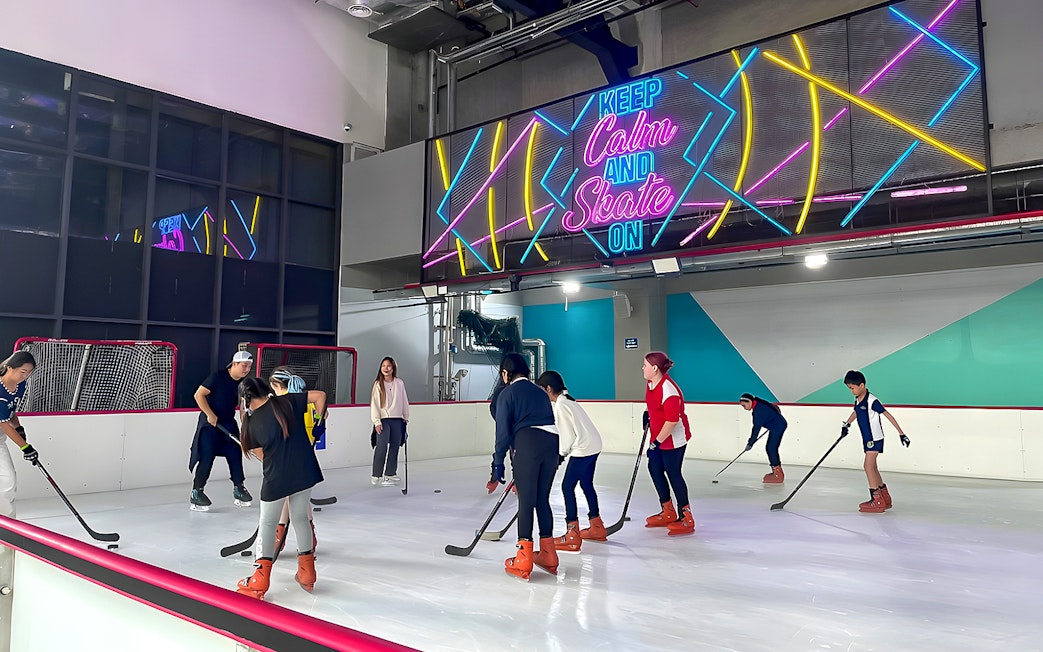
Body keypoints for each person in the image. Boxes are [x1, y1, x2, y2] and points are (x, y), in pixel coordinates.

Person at [235, 376, 326, 600]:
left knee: (267, 522)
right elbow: (320, 396)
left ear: (246, 398)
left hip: (277, 478)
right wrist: (318, 423)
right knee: (300, 519)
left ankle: (259, 578)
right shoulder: (287, 401)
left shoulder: (251, 423)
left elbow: (262, 456)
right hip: (304, 471)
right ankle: (307, 573)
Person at [491, 353, 559, 580]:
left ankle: (523, 558)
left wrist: (497, 464)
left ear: (505, 373)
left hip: (528, 444)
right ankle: (549, 553)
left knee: (526, 501)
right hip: (551, 444)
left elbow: (502, 434)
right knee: (541, 499)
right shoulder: (540, 392)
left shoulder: (507, 393)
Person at [536, 370, 605, 553]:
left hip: (583, 449)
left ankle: (572, 533)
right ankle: (597, 525)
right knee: (586, 484)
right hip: (593, 445)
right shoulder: (568, 401)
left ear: (548, 389)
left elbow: (567, 437)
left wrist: (558, 455)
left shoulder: (561, 405)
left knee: (567, 487)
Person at [267, 367, 327, 557]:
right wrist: (319, 422)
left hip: (290, 454)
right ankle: (308, 535)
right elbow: (322, 414)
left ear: (277, 385)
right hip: (305, 451)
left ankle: (280, 532)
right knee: (299, 496)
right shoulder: (304, 398)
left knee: (288, 494)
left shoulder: (285, 402)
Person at [188, 350, 254, 511]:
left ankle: (239, 487)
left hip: (228, 423)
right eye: (244, 366)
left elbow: (243, 407)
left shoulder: (244, 383)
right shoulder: (217, 377)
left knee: (235, 453)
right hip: (210, 424)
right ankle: (197, 492)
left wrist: (246, 427)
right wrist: (210, 414)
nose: (246, 369)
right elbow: (199, 395)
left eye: (249, 367)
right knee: (207, 456)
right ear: (235, 364)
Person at [841, 370, 910, 513]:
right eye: (849, 388)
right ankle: (885, 498)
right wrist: (847, 424)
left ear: (862, 385)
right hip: (867, 438)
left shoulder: (872, 401)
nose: (851, 391)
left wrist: (901, 434)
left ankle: (876, 500)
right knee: (873, 467)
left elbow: (888, 415)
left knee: (867, 466)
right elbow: (856, 411)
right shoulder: (858, 399)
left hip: (874, 438)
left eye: (852, 388)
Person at [642, 351, 695, 536]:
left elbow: (672, 421)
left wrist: (656, 442)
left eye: (645, 365)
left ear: (655, 368)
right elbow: (656, 407)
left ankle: (686, 516)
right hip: (658, 436)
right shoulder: (651, 384)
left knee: (673, 473)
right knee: (655, 469)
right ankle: (668, 510)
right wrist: (647, 413)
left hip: (673, 439)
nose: (643, 368)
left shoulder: (669, 390)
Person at [0, 351, 38, 517]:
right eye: (23, 371)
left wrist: (19, 428)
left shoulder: (20, 386)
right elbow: (4, 424)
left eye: (29, 373)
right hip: (3, 429)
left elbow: (11, 411)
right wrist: (25, 447)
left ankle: (8, 531)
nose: (26, 376)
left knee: (8, 480)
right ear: (10, 368)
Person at [370, 356, 409, 486]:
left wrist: (406, 416)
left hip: (397, 419)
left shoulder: (399, 383)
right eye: (383, 366)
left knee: (395, 446)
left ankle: (390, 473)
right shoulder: (377, 384)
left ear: (393, 368)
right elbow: (374, 404)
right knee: (381, 447)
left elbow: (404, 400)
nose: (386, 368)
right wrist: (377, 421)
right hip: (383, 420)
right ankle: (376, 474)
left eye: (388, 366)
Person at [739, 393, 788, 483]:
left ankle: (778, 474)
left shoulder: (758, 411)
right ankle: (776, 471)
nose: (744, 408)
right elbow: (775, 407)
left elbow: (756, 429)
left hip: (778, 426)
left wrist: (750, 443)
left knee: (771, 448)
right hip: (777, 425)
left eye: (744, 405)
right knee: (770, 448)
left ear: (749, 401)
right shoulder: (759, 404)